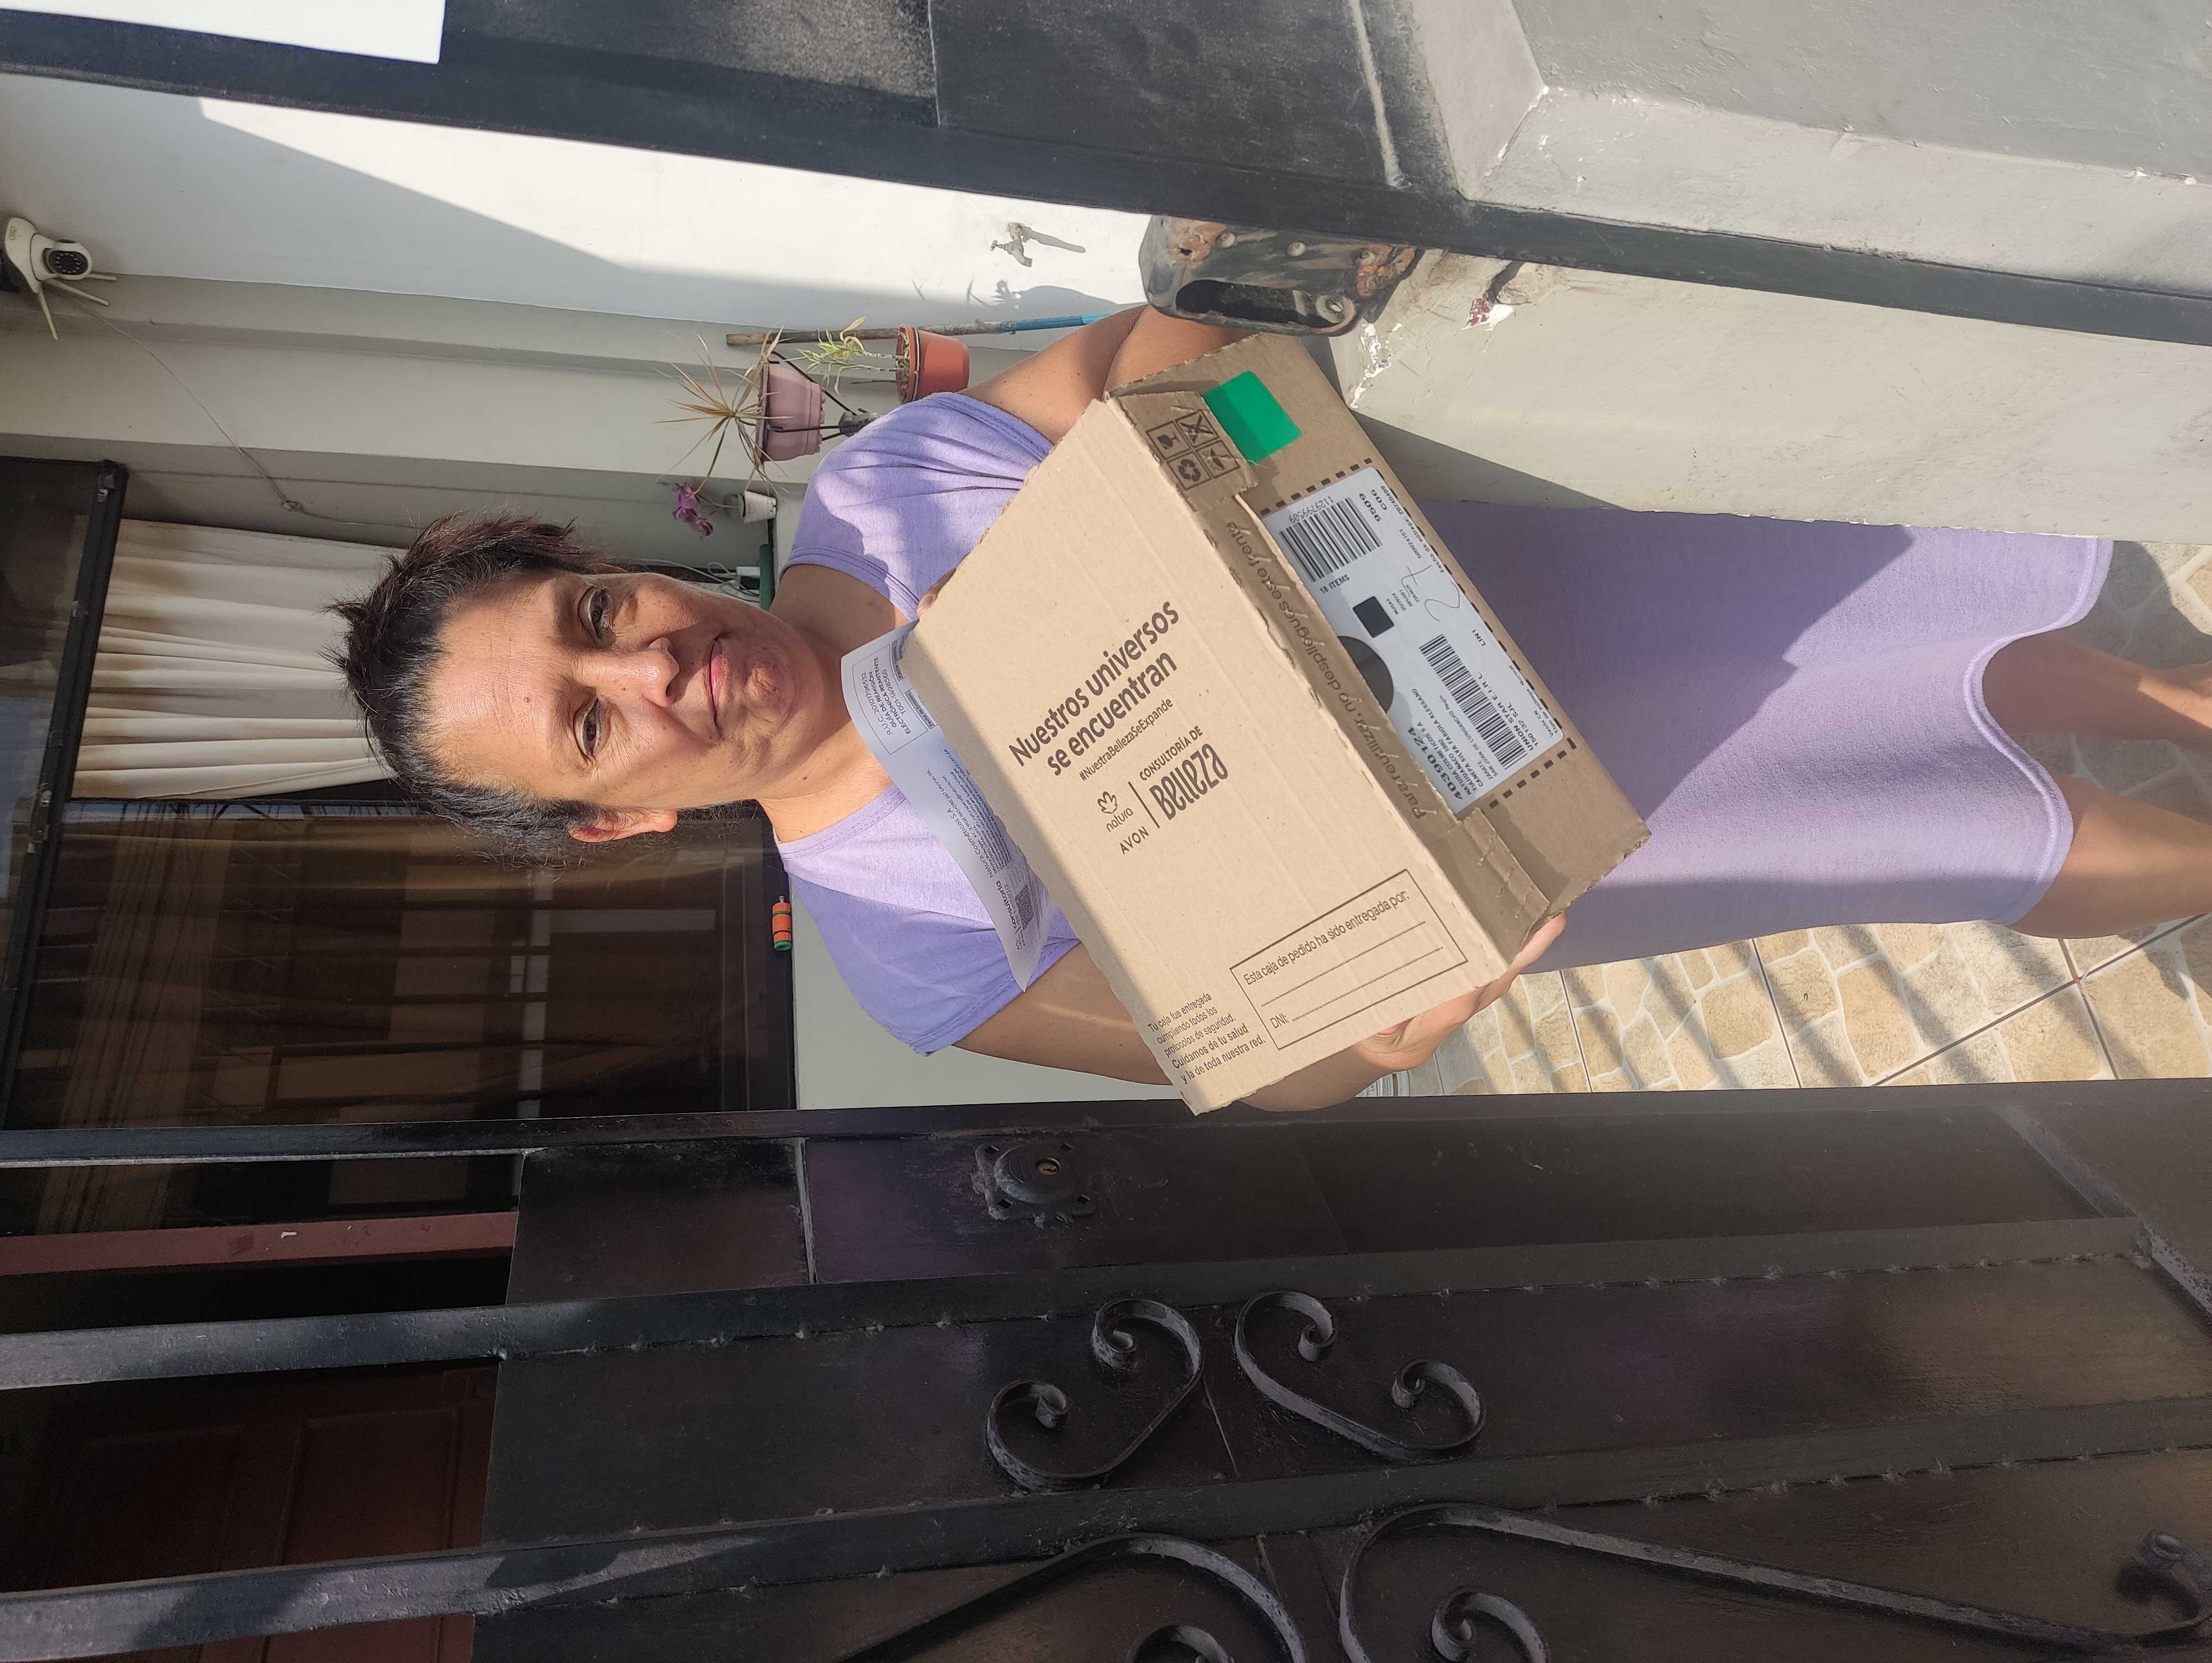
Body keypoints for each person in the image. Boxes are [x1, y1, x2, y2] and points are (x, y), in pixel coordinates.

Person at [334, 308, 2212, 1109]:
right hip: (1549, 826)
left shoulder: (887, 490)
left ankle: (2173, 701)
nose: (650, 666)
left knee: (1905, 636)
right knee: (1940, 832)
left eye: (596, 614)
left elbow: (1160, 353)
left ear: (617, 567)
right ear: (615, 820)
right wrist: (1397, 1015)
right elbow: (1274, 1054)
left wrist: (1151, 495)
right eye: (590, 723)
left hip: (1543, 592)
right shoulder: (911, 948)